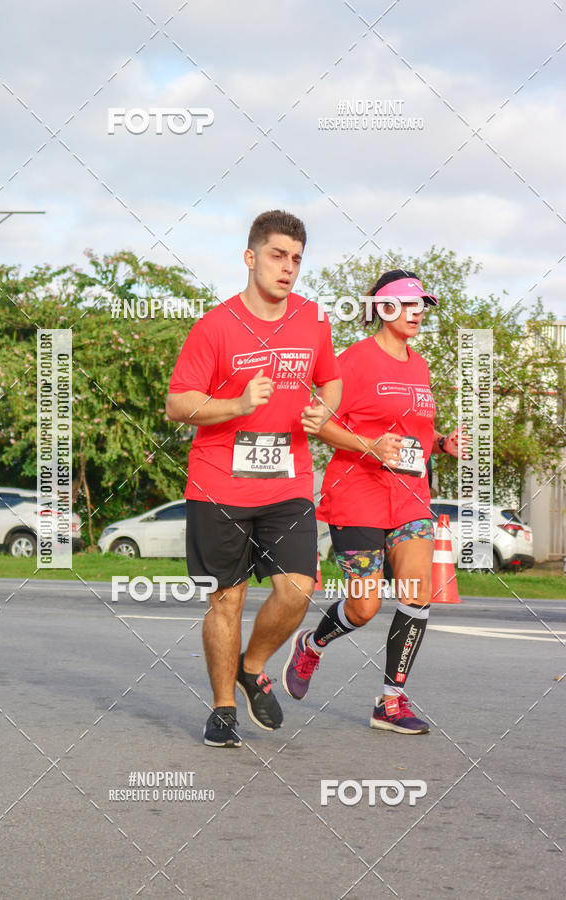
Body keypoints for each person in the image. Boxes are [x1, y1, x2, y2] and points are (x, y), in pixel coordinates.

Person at [166, 210, 342, 747]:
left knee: (298, 590)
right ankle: (223, 708)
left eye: (296, 259)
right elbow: (178, 404)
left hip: (288, 482)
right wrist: (237, 403)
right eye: (277, 255)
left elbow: (330, 382)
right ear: (250, 257)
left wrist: (321, 412)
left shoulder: (313, 319)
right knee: (228, 600)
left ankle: (253, 664)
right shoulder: (215, 326)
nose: (287, 268)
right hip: (219, 483)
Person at [282, 269, 464, 734]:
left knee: (417, 591)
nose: (418, 312)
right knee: (363, 608)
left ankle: (391, 701)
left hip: (409, 497)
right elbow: (316, 423)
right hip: (357, 495)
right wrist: (369, 446)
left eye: (422, 304)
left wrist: (443, 443)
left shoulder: (419, 366)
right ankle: (313, 645)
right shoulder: (352, 362)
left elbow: (416, 434)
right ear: (382, 308)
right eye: (407, 304)